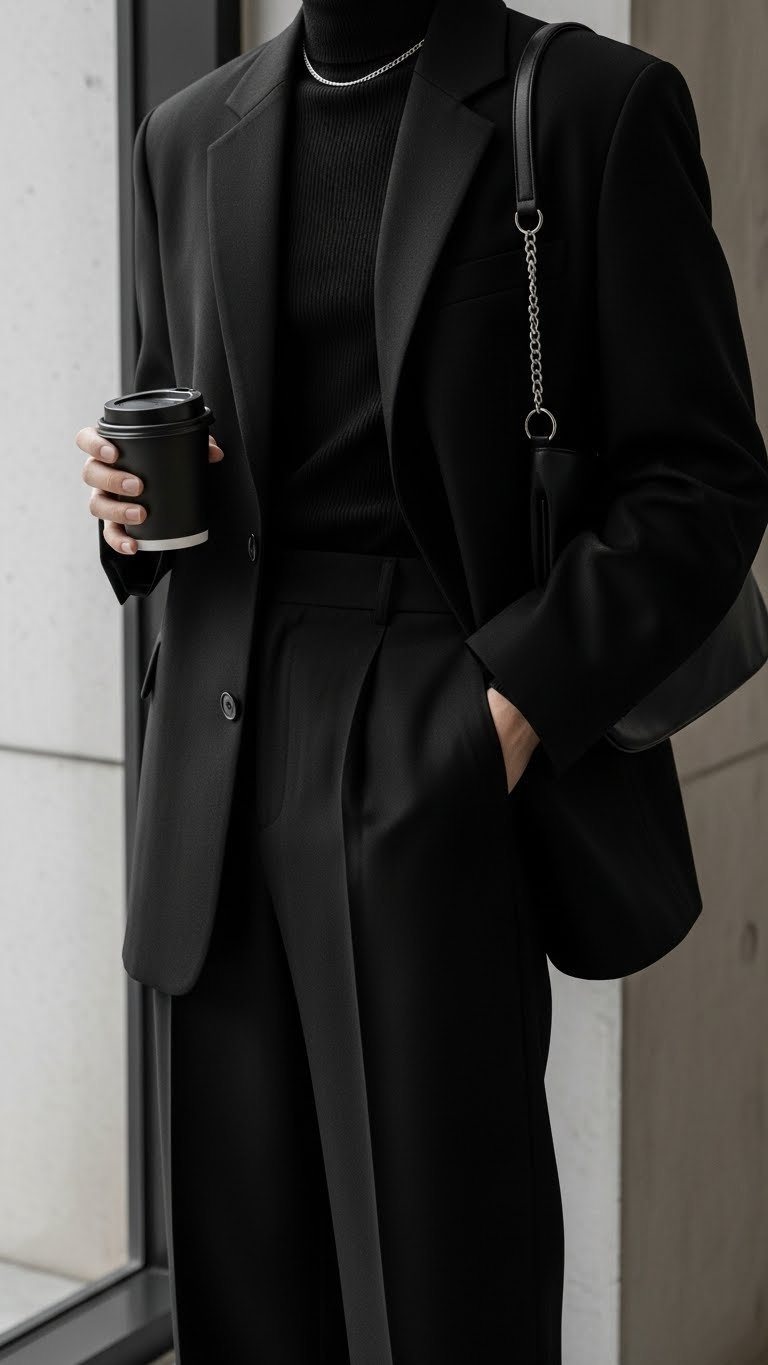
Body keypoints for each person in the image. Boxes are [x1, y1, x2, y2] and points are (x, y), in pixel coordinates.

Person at [74, 0, 768, 1360]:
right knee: (249, 1285)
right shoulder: (185, 133)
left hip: (433, 737)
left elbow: (703, 482)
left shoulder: (590, 106)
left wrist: (506, 712)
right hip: (217, 760)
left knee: (445, 1283)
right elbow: (188, 422)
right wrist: (125, 513)